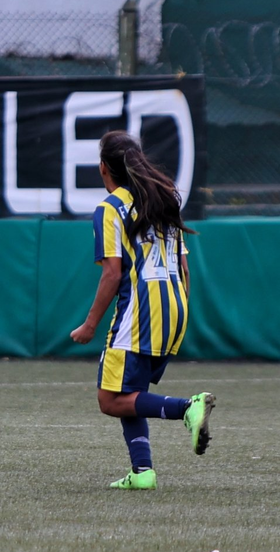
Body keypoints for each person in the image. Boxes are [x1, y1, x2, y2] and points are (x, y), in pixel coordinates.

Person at [69, 130, 214, 490]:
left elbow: (113, 273)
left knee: (109, 399)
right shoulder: (164, 199)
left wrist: (90, 324)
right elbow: (184, 267)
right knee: (129, 393)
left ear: (104, 168)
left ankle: (186, 408)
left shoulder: (110, 208)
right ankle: (142, 472)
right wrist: (178, 313)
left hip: (140, 310)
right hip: (175, 306)